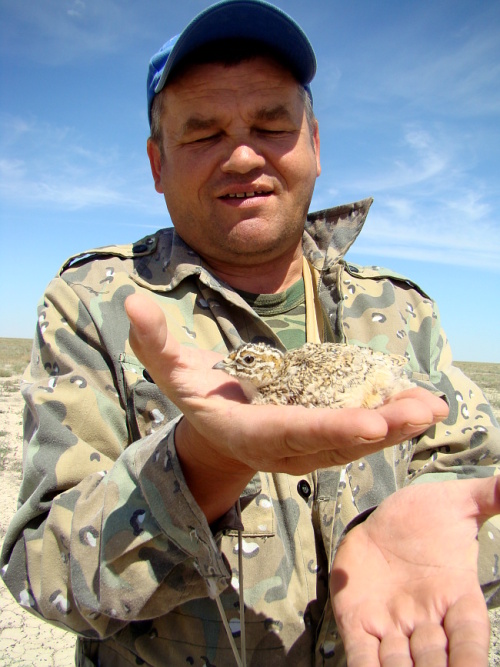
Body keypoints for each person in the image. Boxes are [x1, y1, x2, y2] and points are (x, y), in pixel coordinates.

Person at [1, 1, 499, 665]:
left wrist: (444, 535)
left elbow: (471, 475)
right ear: (157, 163)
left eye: (271, 125)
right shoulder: (93, 304)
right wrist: (201, 464)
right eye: (203, 134)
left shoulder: (402, 310)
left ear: (314, 145)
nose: (242, 155)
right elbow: (42, 572)